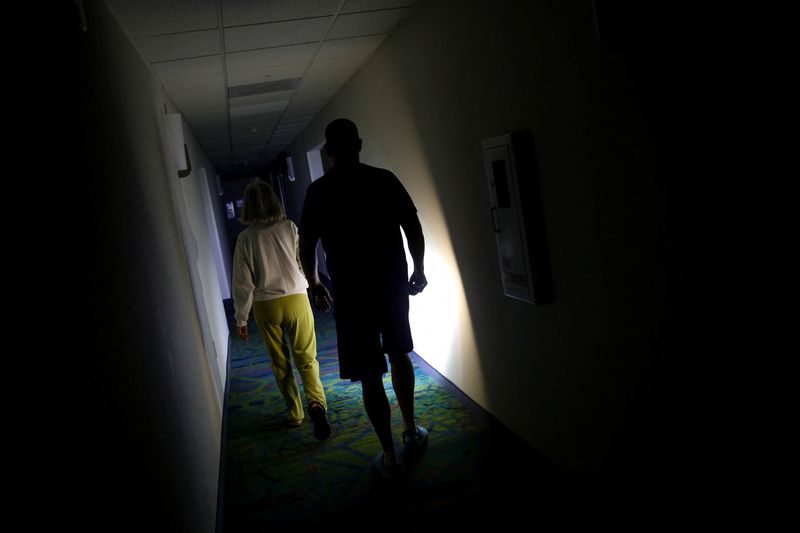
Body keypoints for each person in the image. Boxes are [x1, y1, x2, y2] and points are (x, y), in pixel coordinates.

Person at [299, 118, 429, 478]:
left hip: (350, 291)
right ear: (359, 144)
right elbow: (412, 228)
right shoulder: (384, 180)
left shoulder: (319, 192)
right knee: (399, 352)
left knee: (370, 373)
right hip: (389, 283)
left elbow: (306, 244)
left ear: (327, 153)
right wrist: (418, 268)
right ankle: (410, 429)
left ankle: (388, 455)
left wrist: (314, 284)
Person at [232, 180, 331, 440]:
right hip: (296, 298)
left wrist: (241, 317)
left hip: (265, 305)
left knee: (281, 362)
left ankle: (295, 413)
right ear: (274, 201)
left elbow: (243, 282)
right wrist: (314, 285)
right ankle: (316, 404)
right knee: (307, 358)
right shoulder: (289, 227)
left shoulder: (245, 239)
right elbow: (305, 259)